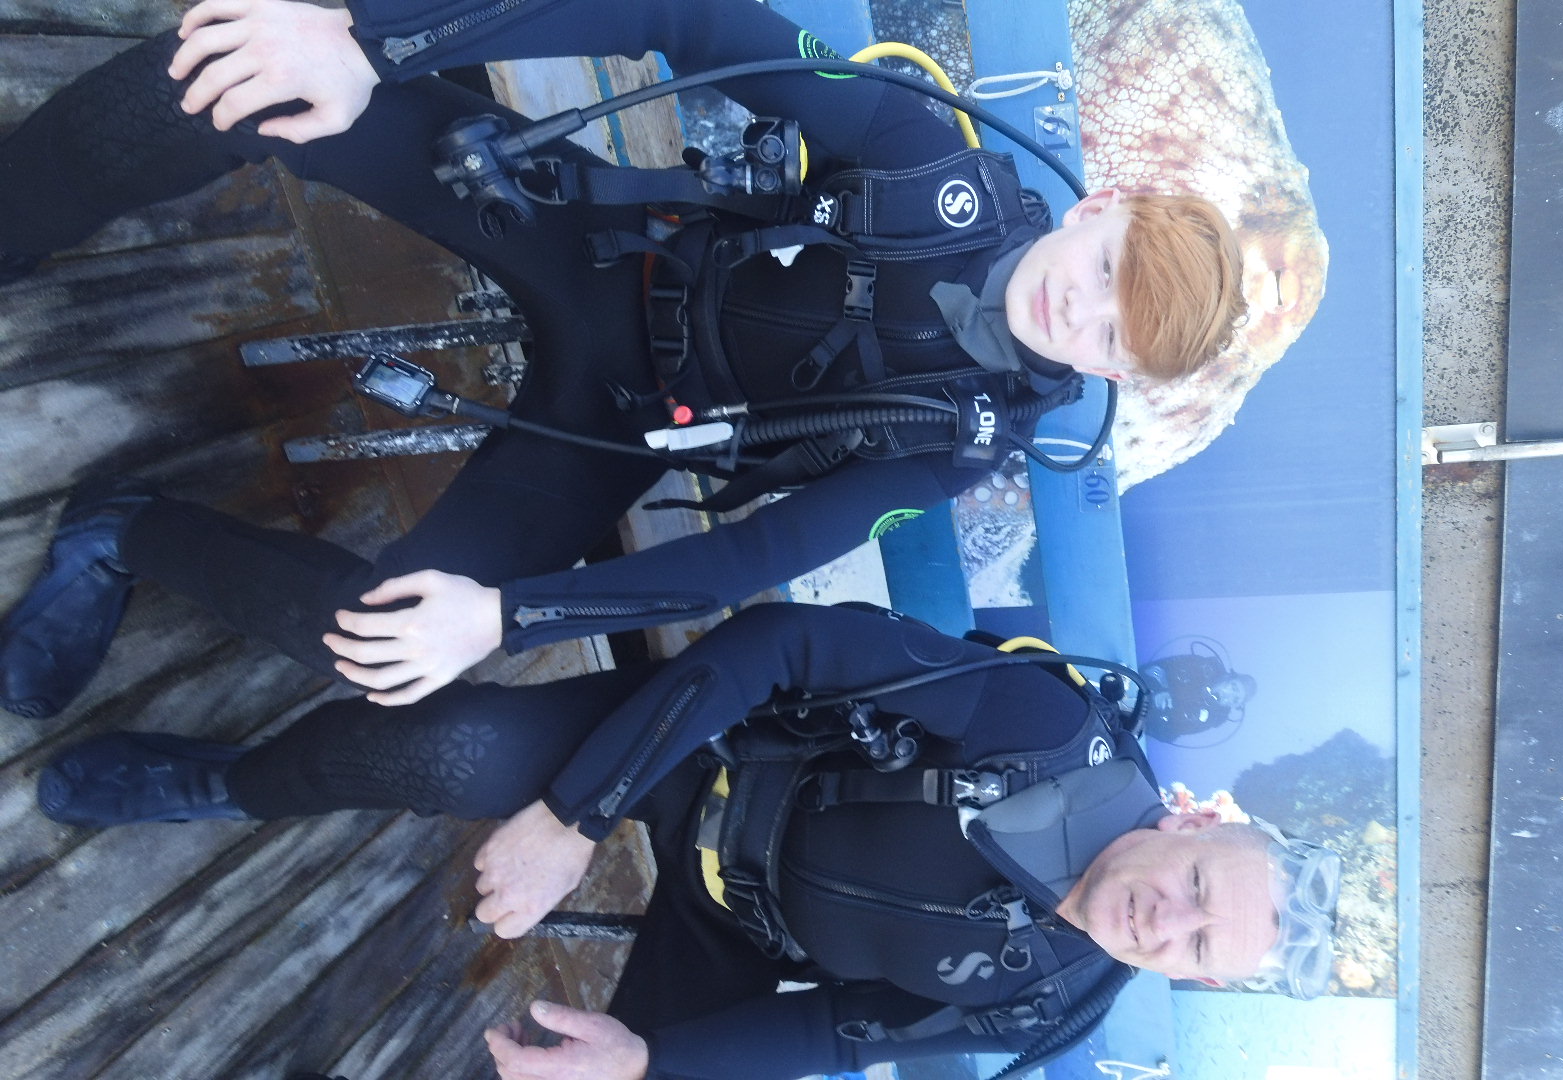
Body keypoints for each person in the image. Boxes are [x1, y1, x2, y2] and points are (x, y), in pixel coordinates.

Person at [0, 0, 1246, 719]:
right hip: (598, 243)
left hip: (621, 421)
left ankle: (120, 532)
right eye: (1103, 271)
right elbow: (682, 13)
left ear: (1110, 377)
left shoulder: (969, 437)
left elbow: (753, 558)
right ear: (1096, 210)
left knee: (373, 648)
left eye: (1108, 338)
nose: (1072, 310)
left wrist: (507, 617)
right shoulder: (928, 161)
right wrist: (372, 41)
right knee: (217, 80)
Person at [36, 601, 1341, 1079]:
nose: (1166, 924)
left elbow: (839, 1036)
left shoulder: (1049, 1006)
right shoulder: (1042, 730)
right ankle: (216, 783)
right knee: (434, 753)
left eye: (1195, 950)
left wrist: (650, 1057)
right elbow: (787, 642)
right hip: (695, 768)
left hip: (735, 938)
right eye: (1195, 887)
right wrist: (578, 816)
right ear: (1194, 820)